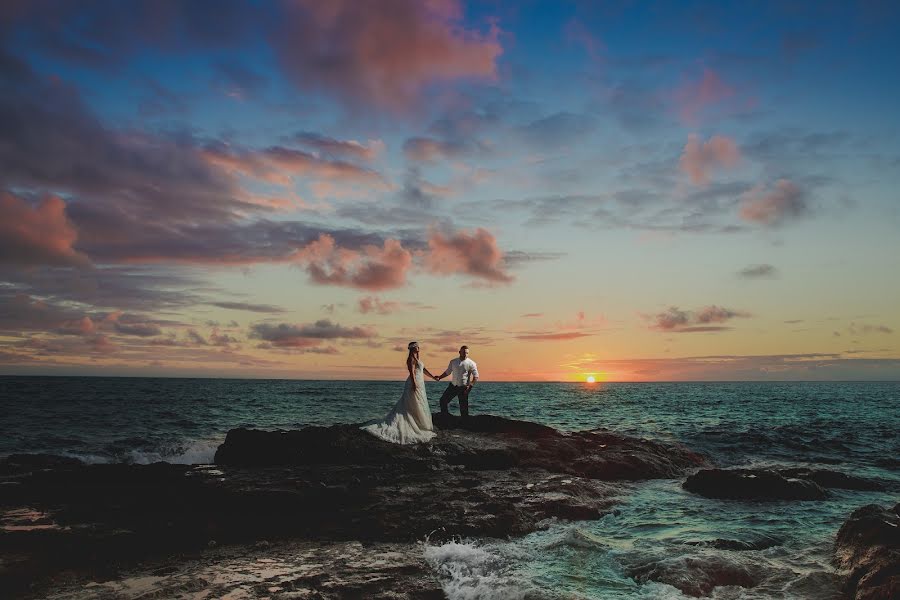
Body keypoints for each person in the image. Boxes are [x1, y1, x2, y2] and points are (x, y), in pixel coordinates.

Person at [361, 341, 439, 444]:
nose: (419, 347)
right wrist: (414, 384)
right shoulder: (410, 359)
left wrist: (433, 377)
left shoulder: (418, 359)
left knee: (418, 403)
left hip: (420, 383)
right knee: (410, 403)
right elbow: (411, 373)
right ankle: (410, 423)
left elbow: (424, 370)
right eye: (417, 346)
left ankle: (418, 422)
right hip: (413, 382)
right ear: (413, 348)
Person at [435, 345, 479, 418]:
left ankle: (464, 425)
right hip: (453, 386)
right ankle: (445, 418)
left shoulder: (472, 363)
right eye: (464, 352)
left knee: (463, 409)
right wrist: (440, 377)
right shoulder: (453, 362)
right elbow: (448, 372)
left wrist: (470, 387)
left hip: (463, 388)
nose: (465, 354)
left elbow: (476, 376)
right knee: (443, 401)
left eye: (467, 353)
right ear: (459, 352)